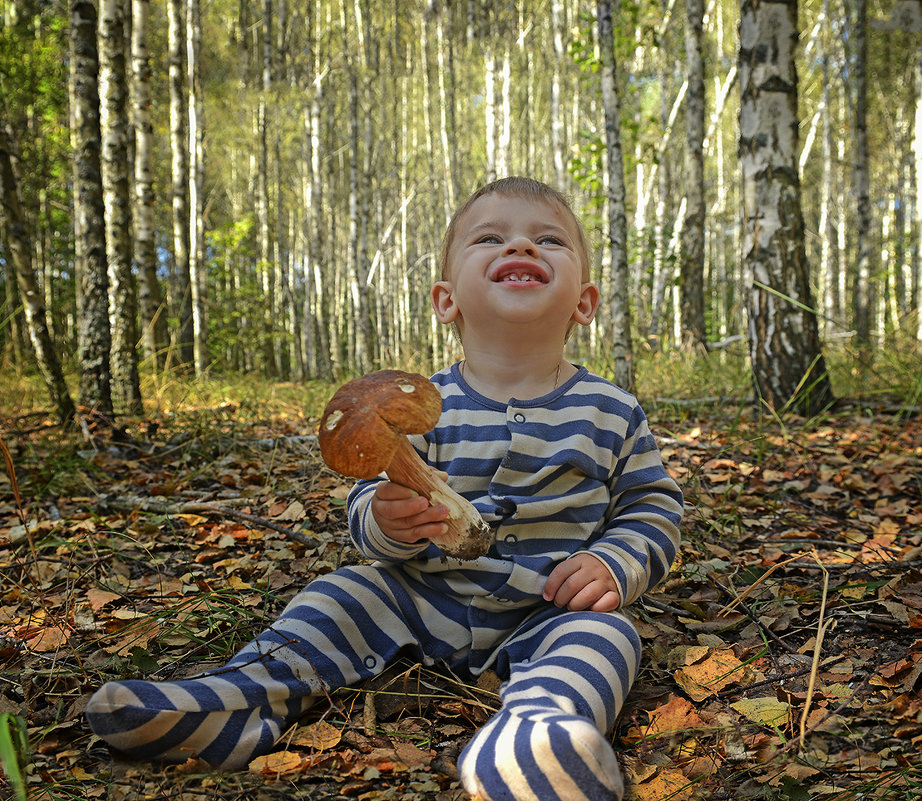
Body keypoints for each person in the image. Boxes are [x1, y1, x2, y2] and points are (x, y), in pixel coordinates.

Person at [86, 176, 683, 801]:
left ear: (584, 302)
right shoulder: (419, 403)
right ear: (446, 300)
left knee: (607, 637)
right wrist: (382, 522)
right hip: (417, 595)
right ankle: (236, 701)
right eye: (490, 237)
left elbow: (651, 505)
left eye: (549, 240)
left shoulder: (611, 411)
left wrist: (614, 563)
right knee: (343, 591)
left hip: (548, 608)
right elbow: (366, 500)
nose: (522, 247)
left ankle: (536, 739)